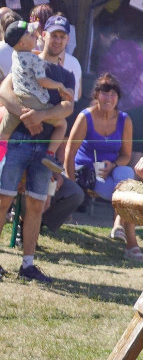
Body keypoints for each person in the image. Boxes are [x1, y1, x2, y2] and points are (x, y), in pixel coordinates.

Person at [0, 51, 75, 283]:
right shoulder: (27, 61)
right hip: (17, 141)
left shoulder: (67, 75)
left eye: (63, 36)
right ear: (45, 36)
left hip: (45, 149)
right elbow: (4, 91)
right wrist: (27, 116)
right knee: (2, 200)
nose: (58, 40)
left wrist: (40, 116)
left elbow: (67, 108)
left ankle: (28, 265)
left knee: (36, 205)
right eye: (54, 35)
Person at [62, 74, 143, 261]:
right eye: (104, 94)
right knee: (126, 197)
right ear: (96, 95)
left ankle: (122, 229)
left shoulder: (125, 120)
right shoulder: (85, 117)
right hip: (88, 171)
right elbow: (70, 151)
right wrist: (70, 182)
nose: (109, 99)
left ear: (118, 98)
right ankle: (130, 244)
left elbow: (126, 155)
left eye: (113, 95)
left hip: (114, 170)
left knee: (126, 172)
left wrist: (113, 165)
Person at [1, 20, 71, 173]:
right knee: (62, 124)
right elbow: (42, 81)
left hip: (17, 102)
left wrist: (22, 113)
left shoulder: (16, 55)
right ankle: (50, 154)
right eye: (30, 35)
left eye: (62, 36)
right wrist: (59, 85)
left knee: (3, 132)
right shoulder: (35, 60)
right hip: (35, 102)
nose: (34, 36)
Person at [96, 12, 143, 163]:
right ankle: (133, 185)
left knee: (124, 151)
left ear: (101, 36)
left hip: (129, 109)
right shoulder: (134, 46)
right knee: (139, 152)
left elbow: (104, 88)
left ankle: (123, 184)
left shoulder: (107, 58)